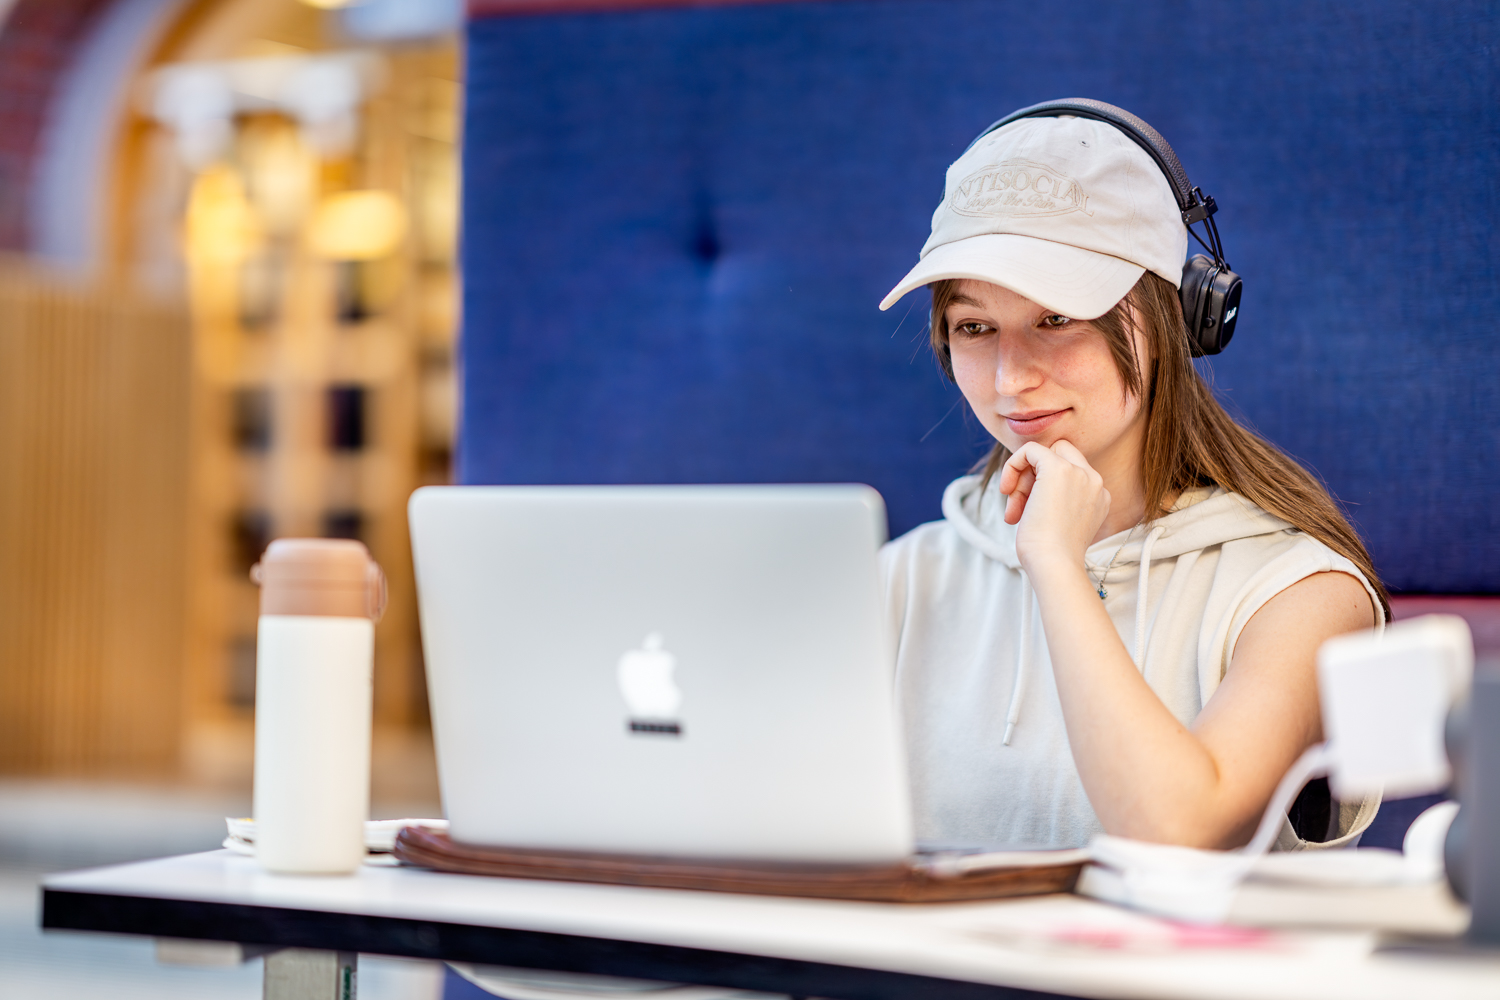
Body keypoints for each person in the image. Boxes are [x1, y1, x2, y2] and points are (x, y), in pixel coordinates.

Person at [877, 105, 1387, 852]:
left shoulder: (1302, 595)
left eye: (1057, 319)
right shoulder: (903, 578)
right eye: (974, 327)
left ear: (1177, 317)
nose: (1012, 379)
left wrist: (1056, 565)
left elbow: (1177, 831)